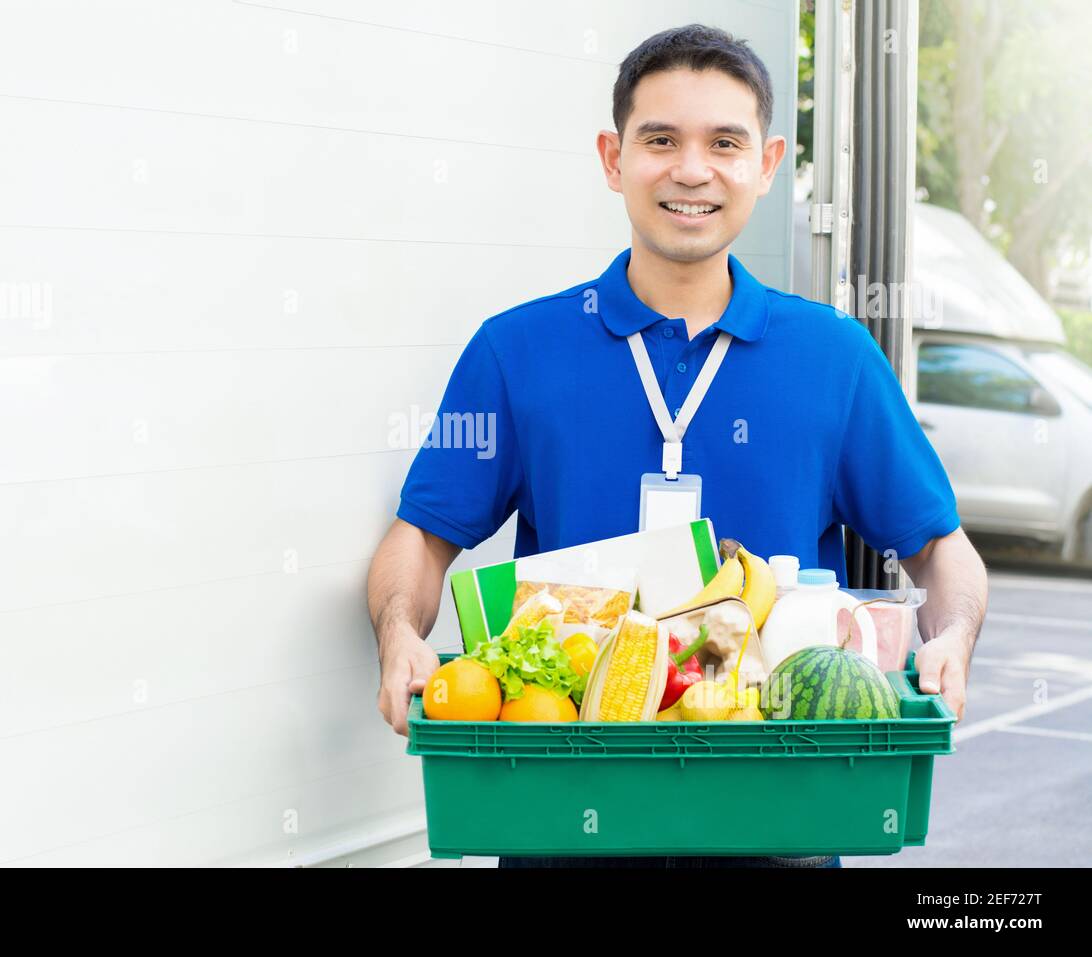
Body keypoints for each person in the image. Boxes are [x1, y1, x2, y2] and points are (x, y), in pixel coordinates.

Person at [366, 23, 987, 869]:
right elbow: (423, 533)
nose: (691, 170)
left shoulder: (835, 357)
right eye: (660, 140)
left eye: (723, 143)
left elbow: (939, 548)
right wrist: (400, 630)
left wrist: (952, 637)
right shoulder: (517, 350)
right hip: (562, 815)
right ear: (612, 158)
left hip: (783, 818)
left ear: (766, 165)